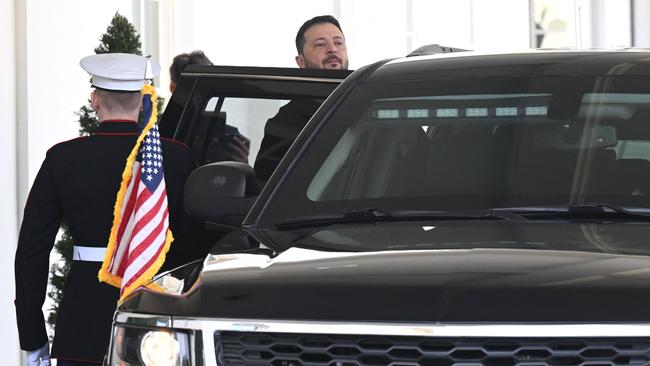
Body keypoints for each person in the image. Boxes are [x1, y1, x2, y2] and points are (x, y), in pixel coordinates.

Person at [14, 53, 196, 365]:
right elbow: (194, 243)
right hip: (161, 328)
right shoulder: (176, 157)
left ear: (94, 100)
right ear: (143, 101)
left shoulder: (63, 158)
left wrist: (32, 336)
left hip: (83, 324)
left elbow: (32, 251)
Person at [254, 15, 349, 189]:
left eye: (338, 42)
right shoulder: (286, 120)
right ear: (301, 62)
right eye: (320, 44)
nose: (332, 49)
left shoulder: (367, 102)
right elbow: (268, 188)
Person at [169, 50, 251, 163]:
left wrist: (242, 164)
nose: (197, 97)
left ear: (172, 88)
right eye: (192, 90)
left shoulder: (155, 132)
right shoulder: (226, 134)